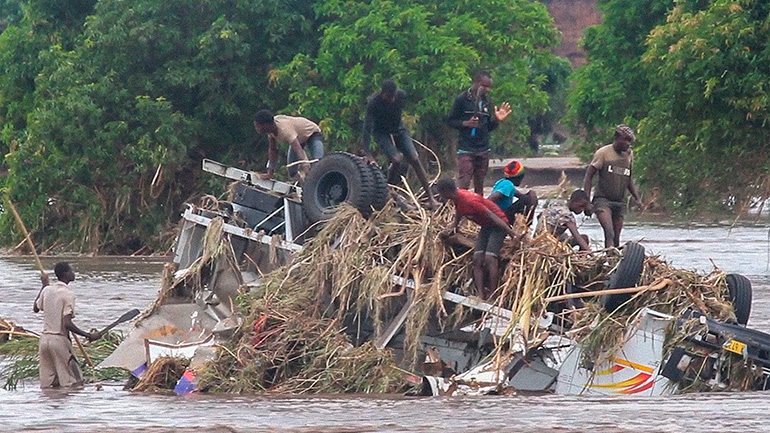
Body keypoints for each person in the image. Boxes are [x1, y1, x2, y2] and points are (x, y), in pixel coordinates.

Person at [436, 178, 518, 300]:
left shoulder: (470, 200)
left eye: (441, 193)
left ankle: (493, 294)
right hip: (486, 225)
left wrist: (511, 233)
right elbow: (459, 210)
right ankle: (481, 295)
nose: (440, 196)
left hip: (498, 225)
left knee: (490, 257)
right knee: (477, 258)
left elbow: (492, 215)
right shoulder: (457, 198)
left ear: (446, 192)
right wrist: (454, 226)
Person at [362, 79, 438, 208]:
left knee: (415, 159)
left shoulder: (400, 96)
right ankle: (388, 189)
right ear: (382, 93)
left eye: (393, 96)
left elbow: (395, 117)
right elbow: (367, 128)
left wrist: (396, 135)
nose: (391, 99)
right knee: (396, 160)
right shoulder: (374, 103)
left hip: (398, 130)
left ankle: (431, 198)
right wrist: (368, 153)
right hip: (381, 132)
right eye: (388, 97)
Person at [33, 262, 101, 388]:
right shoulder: (68, 294)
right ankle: (68, 401)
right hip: (59, 341)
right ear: (65, 274)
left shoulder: (47, 290)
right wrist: (88, 335)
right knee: (72, 382)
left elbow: (36, 308)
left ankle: (48, 401)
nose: (73, 273)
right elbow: (67, 323)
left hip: (44, 341)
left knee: (48, 384)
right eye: (71, 271)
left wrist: (44, 286)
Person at [447, 70, 512, 194]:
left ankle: (478, 206)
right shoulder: (462, 99)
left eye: (489, 87)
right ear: (476, 83)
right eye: (485, 86)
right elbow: (450, 121)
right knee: (465, 181)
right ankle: (460, 204)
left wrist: (497, 120)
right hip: (466, 148)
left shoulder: (487, 102)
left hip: (483, 149)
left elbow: (488, 128)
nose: (487, 90)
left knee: (479, 184)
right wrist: (466, 123)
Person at [583, 124, 643, 248]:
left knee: (616, 237)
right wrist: (587, 201)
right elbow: (589, 176)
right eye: (625, 140)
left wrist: (637, 198)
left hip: (619, 202)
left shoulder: (629, 155)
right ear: (617, 138)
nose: (628, 144)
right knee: (609, 232)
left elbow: (628, 178)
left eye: (629, 141)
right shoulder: (603, 153)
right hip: (603, 200)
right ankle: (608, 254)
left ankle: (613, 258)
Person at [253, 110, 325, 181]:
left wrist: (305, 167)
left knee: (317, 163)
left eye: (258, 126)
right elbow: (273, 150)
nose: (257, 129)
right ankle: (302, 183)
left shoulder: (285, 130)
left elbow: (298, 149)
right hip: (299, 138)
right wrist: (270, 173)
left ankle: (317, 181)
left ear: (266, 125)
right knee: (292, 170)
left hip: (312, 133)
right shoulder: (270, 131)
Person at [487, 160, 539, 226]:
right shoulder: (508, 185)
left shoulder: (503, 182)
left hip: (501, 214)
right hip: (501, 216)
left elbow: (521, 196)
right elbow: (490, 199)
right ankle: (528, 223)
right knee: (531, 195)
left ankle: (527, 223)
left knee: (530, 195)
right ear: (518, 177)